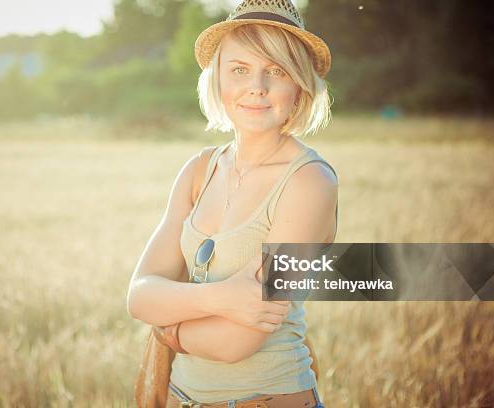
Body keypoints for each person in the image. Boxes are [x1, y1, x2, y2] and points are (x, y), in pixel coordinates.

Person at [127, 0, 338, 406]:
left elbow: (236, 342)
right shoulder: (199, 170)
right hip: (178, 397)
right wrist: (221, 298)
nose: (256, 86)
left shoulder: (309, 182)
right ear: (218, 80)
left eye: (276, 71)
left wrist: (168, 327)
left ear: (299, 86)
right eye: (239, 69)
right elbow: (139, 295)